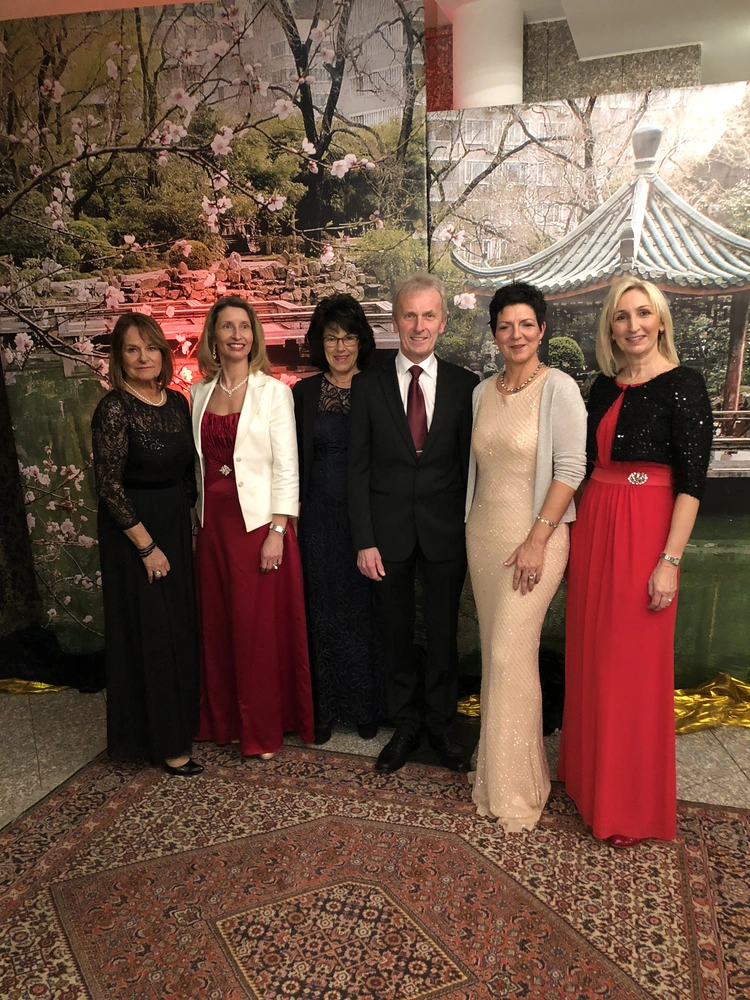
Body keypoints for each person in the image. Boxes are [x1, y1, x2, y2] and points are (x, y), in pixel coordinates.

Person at [558, 277, 712, 847]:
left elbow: (692, 483)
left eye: (643, 313)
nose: (633, 325)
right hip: (595, 523)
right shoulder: (602, 385)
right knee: (592, 655)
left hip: (646, 530)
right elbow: (581, 464)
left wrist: (669, 559)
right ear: (611, 328)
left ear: (661, 320)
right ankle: (587, 782)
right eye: (622, 317)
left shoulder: (685, 385)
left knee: (631, 668)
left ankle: (627, 806)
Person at [465, 282, 586, 831]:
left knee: (512, 654)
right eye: (505, 326)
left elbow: (571, 469)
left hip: (537, 538)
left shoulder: (559, 387)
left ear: (542, 329)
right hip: (483, 537)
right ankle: (495, 774)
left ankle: (519, 789)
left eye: (526, 324)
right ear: (494, 333)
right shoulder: (481, 392)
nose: (516, 335)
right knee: (496, 654)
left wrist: (537, 539)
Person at [348, 273, 479, 773]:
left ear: (443, 322)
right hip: (387, 536)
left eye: (428, 315)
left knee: (444, 634)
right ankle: (404, 726)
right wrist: (364, 539)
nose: (419, 325)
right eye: (409, 315)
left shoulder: (466, 386)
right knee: (396, 634)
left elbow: (471, 467)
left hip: (446, 533)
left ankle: (441, 728)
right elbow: (357, 470)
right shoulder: (368, 385)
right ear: (395, 321)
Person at [191, 295, 314, 758]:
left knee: (256, 632)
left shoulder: (274, 392)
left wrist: (278, 531)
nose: (237, 334)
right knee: (219, 626)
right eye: (227, 326)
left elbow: (287, 466)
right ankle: (223, 722)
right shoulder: (198, 393)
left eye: (244, 326)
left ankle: (261, 728)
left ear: (254, 336)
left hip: (259, 528)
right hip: (212, 529)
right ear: (214, 336)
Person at [92, 313, 202, 776]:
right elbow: (108, 486)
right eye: (132, 350)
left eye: (151, 348)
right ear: (119, 357)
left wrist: (190, 525)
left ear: (163, 353)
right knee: (151, 635)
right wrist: (146, 547)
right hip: (134, 532)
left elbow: (187, 472)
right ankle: (164, 743)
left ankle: (180, 724)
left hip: (174, 522)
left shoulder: (177, 401)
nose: (143, 358)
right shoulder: (114, 408)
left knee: (179, 629)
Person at [293, 295, 386, 744]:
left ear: (361, 341)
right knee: (321, 612)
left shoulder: (379, 387)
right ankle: (324, 709)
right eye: (331, 338)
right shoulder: (303, 393)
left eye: (348, 337)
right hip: (318, 520)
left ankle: (365, 706)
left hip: (368, 520)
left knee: (366, 613)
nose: (341, 347)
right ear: (320, 343)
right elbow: (291, 461)